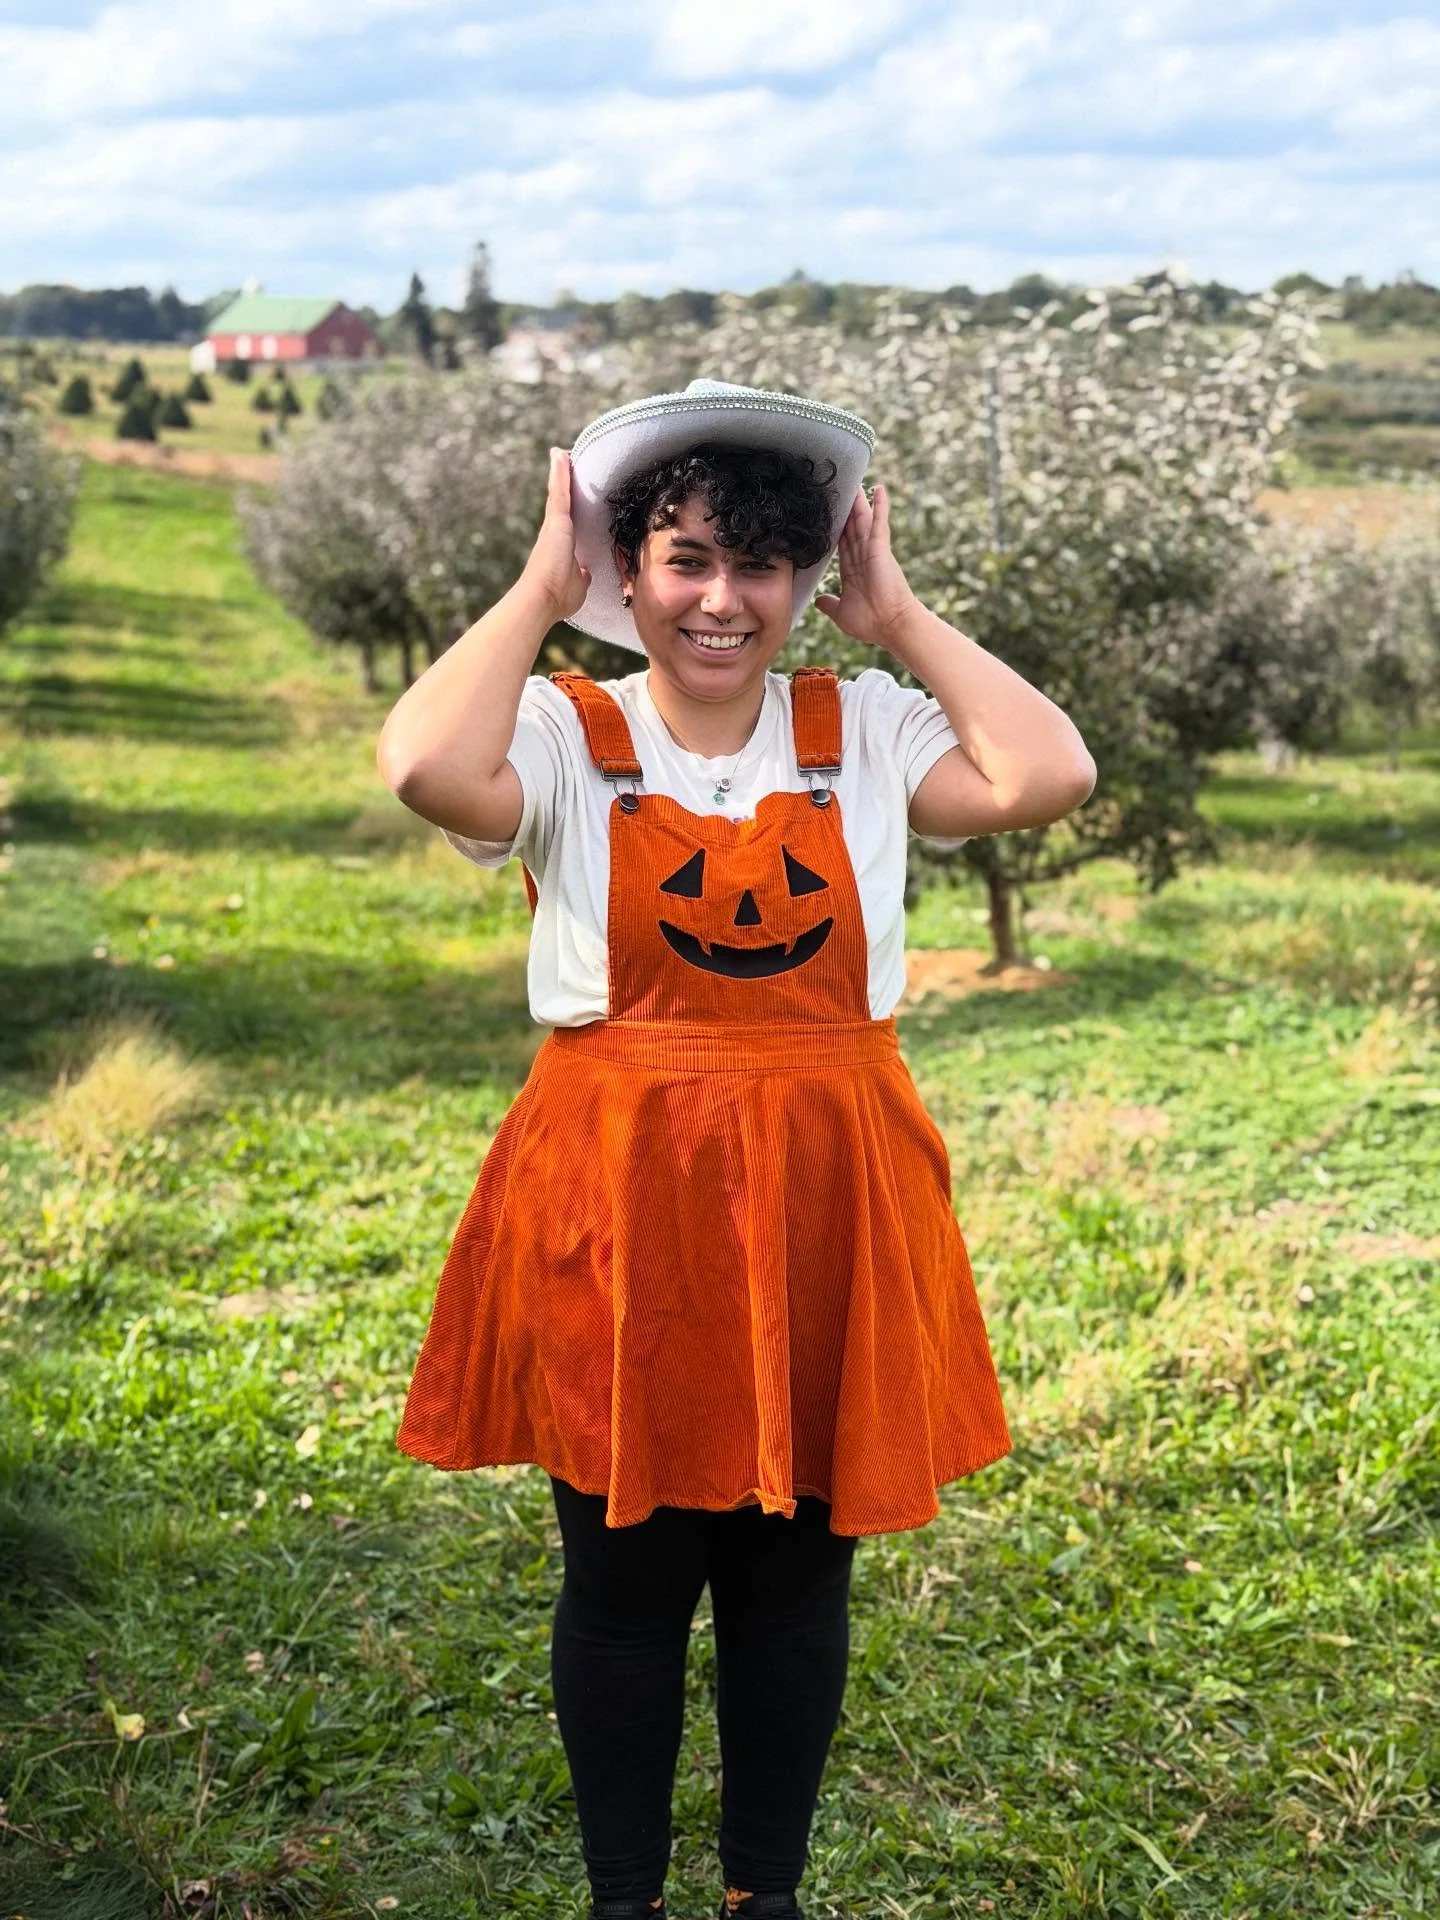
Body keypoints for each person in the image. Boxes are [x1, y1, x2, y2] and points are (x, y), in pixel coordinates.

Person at [376, 380, 1095, 1920]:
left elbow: (1046, 777)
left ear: (804, 579)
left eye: (760, 564)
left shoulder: (866, 727)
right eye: (687, 557)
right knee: (627, 1583)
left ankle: (765, 1895)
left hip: (834, 1189)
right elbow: (428, 767)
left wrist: (898, 617)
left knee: (792, 1587)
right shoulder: (573, 730)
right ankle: (623, 1898)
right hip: (623, 1194)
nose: (722, 599)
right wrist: (534, 588)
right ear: (629, 573)